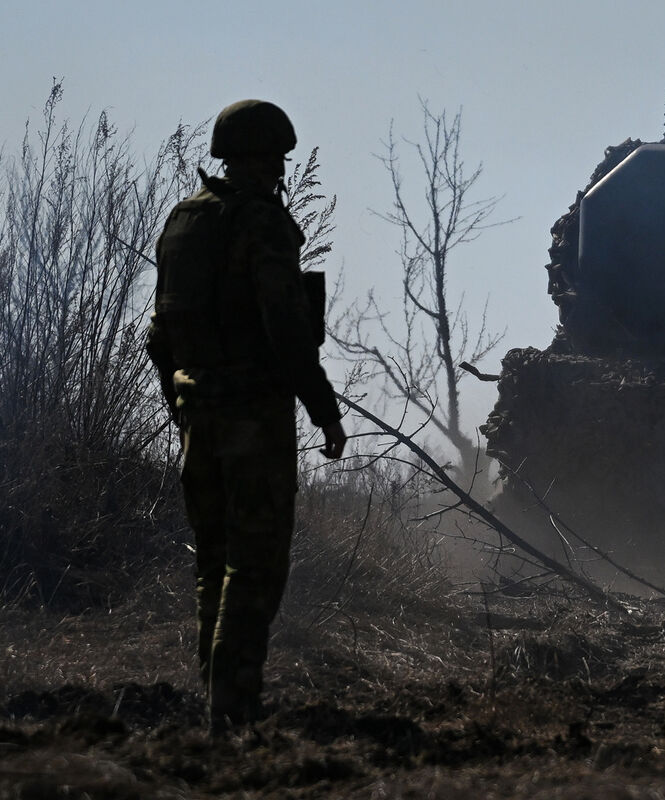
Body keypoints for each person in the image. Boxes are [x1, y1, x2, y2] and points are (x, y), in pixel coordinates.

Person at [146, 99, 347, 732]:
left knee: (214, 562)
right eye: (279, 161)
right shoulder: (260, 224)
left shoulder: (184, 223)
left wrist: (179, 403)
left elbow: (160, 332)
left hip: (196, 413)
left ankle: (219, 704)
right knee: (254, 565)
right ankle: (233, 711)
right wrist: (324, 410)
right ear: (269, 159)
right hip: (251, 417)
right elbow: (286, 331)